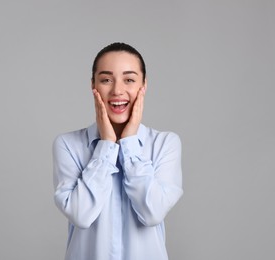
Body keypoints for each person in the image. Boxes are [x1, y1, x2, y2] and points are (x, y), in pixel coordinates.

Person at [53, 42, 183, 260]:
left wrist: (129, 142)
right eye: (106, 80)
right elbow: (81, 215)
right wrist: (106, 146)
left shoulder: (165, 143)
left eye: (129, 80)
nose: (117, 90)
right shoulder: (68, 144)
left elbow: (152, 213)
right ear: (93, 85)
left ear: (144, 85)